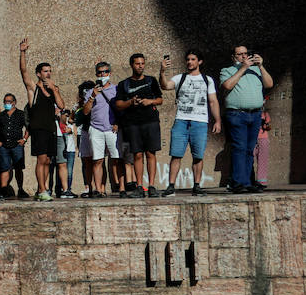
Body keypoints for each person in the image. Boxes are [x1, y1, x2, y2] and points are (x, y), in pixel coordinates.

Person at [159, 49, 220, 196]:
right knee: (176, 154)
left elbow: (213, 101)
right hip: (181, 121)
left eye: (193, 59)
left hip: (200, 122)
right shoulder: (180, 78)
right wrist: (162, 72)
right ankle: (171, 186)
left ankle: (197, 186)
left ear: (200, 61)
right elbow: (165, 86)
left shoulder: (207, 80)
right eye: (188, 59)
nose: (189, 62)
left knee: (198, 156)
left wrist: (218, 120)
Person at [219, 45, 272, 193]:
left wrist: (261, 66)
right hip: (237, 114)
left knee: (250, 149)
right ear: (233, 57)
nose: (244, 56)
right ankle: (237, 182)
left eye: (246, 53)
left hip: (255, 114)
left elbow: (269, 84)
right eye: (239, 54)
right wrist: (243, 68)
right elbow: (227, 85)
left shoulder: (256, 70)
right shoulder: (227, 70)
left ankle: (247, 182)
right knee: (240, 147)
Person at [19, 38, 65, 201]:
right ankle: (42, 189)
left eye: (49, 71)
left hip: (51, 128)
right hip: (38, 129)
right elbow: (23, 71)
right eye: (45, 71)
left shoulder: (52, 90)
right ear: (39, 73)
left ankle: (41, 190)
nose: (48, 73)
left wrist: (54, 89)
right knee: (41, 159)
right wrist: (22, 52)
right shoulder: (34, 88)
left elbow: (61, 105)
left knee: (48, 160)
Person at [113, 53, 164, 198]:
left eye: (142, 63)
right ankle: (139, 186)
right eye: (137, 63)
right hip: (133, 123)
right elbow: (118, 104)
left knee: (151, 153)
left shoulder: (151, 80)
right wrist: (130, 102)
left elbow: (160, 99)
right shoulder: (124, 84)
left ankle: (152, 186)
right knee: (137, 154)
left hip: (150, 121)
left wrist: (150, 101)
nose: (140, 66)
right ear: (132, 65)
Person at [77, 62, 120, 198]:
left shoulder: (116, 89)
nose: (103, 74)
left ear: (110, 73)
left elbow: (121, 108)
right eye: (100, 72)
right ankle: (98, 189)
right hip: (96, 129)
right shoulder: (91, 92)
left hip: (111, 128)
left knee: (117, 158)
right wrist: (92, 96)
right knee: (97, 160)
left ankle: (121, 187)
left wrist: (117, 123)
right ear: (96, 74)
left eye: (105, 72)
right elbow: (85, 111)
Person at [0, 94, 27, 201]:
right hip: (4, 147)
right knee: (4, 168)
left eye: (9, 101)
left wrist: (24, 139)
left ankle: (20, 189)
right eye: (5, 101)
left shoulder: (21, 114)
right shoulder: (1, 115)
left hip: (17, 146)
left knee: (18, 168)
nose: (7, 103)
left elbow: (28, 127)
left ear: (14, 102)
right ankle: (4, 190)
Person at [55, 109, 79, 198]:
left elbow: (76, 133)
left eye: (68, 115)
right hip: (62, 149)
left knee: (69, 172)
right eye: (65, 115)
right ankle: (61, 190)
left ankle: (68, 189)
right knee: (60, 170)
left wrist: (71, 129)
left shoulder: (71, 124)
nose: (67, 117)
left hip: (70, 150)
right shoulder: (58, 124)